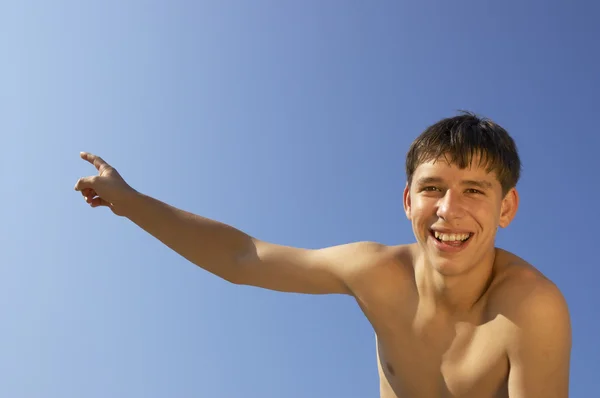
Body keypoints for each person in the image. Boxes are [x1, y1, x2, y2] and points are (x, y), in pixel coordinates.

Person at [74, 112, 571, 398]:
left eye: (474, 192)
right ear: (407, 201)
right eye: (432, 188)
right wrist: (130, 202)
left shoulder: (530, 310)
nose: (448, 210)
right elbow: (243, 258)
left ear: (507, 207)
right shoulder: (378, 273)